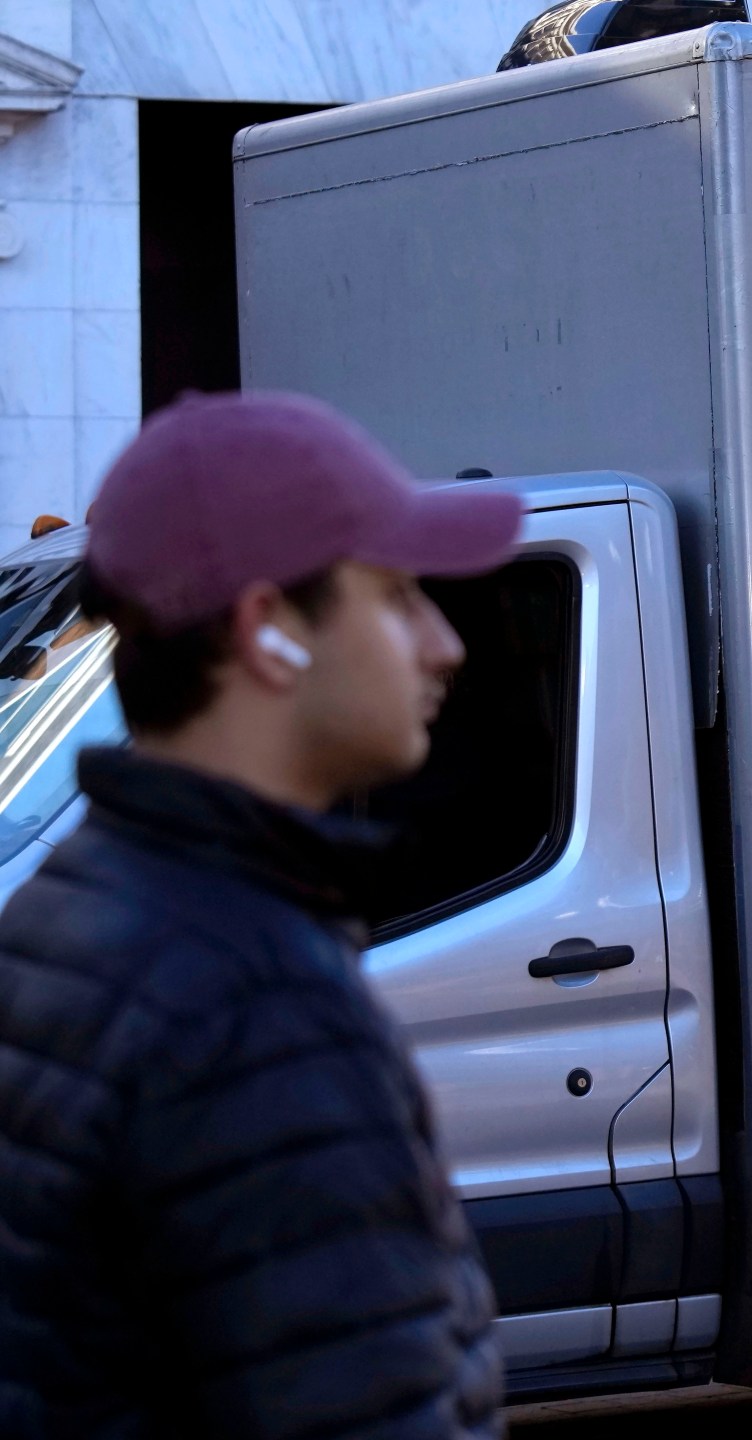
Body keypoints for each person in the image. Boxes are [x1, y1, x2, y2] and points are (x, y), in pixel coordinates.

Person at [0, 392, 523, 1438]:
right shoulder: (255, 1001)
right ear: (268, 632)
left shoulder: (66, 916)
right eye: (396, 596)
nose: (443, 644)